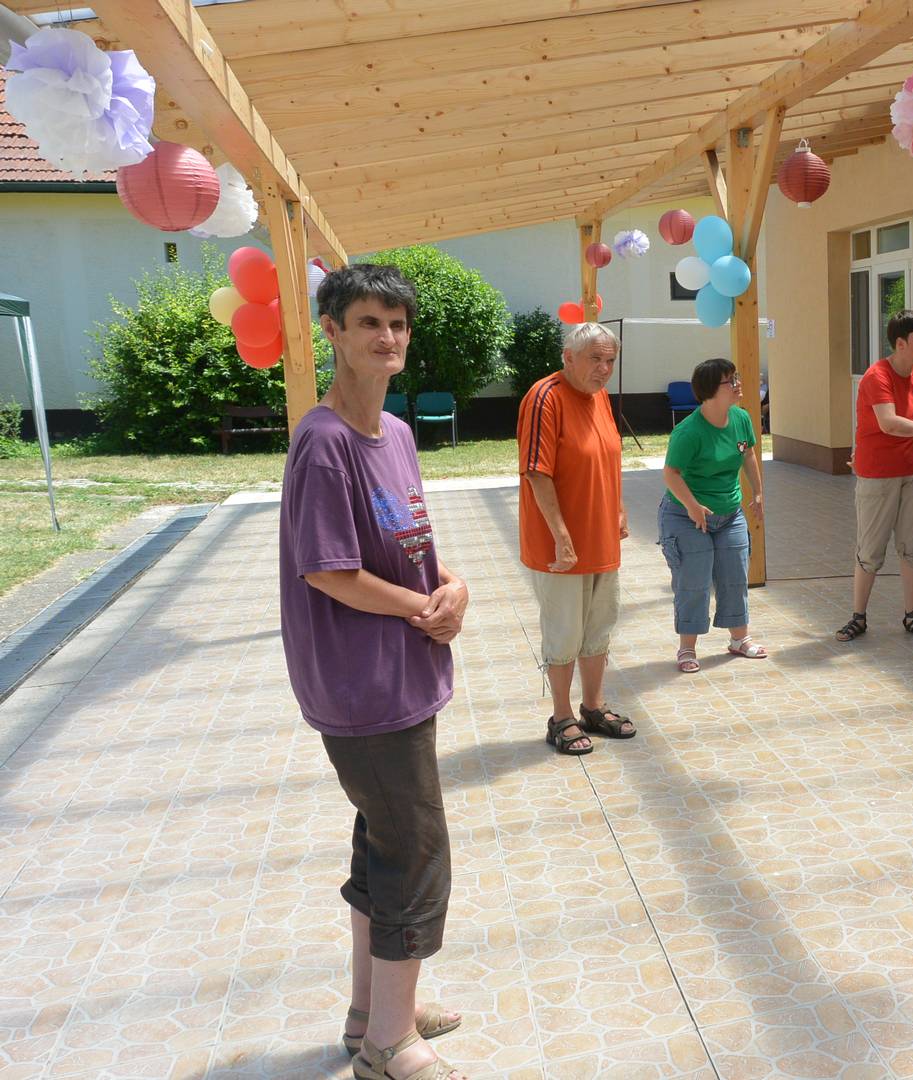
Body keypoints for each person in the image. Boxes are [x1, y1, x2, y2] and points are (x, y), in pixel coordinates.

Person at [279, 264, 470, 1080]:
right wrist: (422, 608)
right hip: (363, 687)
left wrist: (451, 587)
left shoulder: (394, 433)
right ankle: (388, 1047)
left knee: (382, 844)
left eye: (396, 323)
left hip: (404, 671)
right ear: (333, 331)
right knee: (416, 853)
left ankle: (374, 1011)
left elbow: (409, 544)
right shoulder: (324, 443)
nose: (386, 337)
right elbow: (330, 570)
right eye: (367, 322)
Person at [517, 322, 636, 756]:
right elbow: (536, 472)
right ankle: (561, 716)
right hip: (559, 547)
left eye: (610, 361)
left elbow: (606, 457)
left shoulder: (599, 396)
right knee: (564, 632)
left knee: (598, 628)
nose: (604, 369)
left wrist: (618, 508)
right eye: (595, 359)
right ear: (568, 357)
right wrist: (562, 536)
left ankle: (593, 707)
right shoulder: (544, 397)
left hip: (601, 539)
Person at [836, 309, 913, 643]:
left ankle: (912, 616)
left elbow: (912, 421)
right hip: (878, 477)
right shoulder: (876, 376)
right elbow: (889, 424)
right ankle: (858, 617)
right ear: (901, 343)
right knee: (870, 550)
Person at [659, 357, 767, 671]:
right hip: (685, 515)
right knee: (694, 580)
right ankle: (687, 648)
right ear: (709, 391)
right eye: (730, 381)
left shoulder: (741, 419)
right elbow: (671, 474)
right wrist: (693, 506)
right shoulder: (689, 432)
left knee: (735, 575)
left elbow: (748, 453)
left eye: (736, 377)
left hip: (729, 513)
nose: (738, 384)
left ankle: (739, 639)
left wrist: (758, 492)